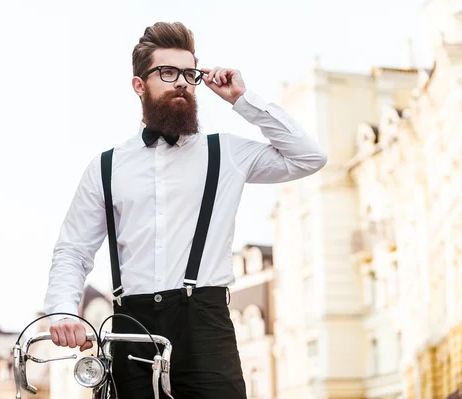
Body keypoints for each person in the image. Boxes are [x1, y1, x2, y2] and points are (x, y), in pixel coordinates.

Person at [44, 21, 327, 399]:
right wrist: (63, 310)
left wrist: (243, 99)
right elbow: (73, 249)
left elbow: (310, 157)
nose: (181, 82)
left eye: (188, 73)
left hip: (206, 326)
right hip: (131, 326)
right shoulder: (106, 166)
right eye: (167, 72)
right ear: (139, 85)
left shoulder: (226, 153)